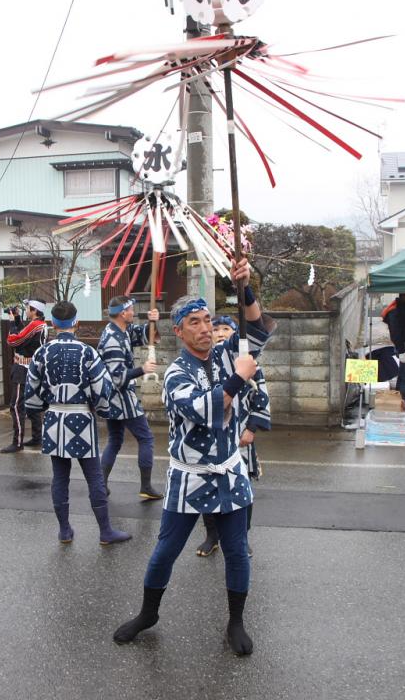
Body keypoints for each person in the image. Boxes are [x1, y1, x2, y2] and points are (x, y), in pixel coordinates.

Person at [113, 258, 276, 656]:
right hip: (189, 477)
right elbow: (206, 409)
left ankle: (235, 621)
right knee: (166, 550)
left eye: (207, 320)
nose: (205, 328)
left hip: (230, 472)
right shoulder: (175, 374)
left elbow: (257, 329)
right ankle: (148, 613)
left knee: (237, 550)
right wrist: (239, 377)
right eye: (195, 323)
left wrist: (245, 287)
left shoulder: (224, 354)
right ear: (179, 331)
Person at [24, 300, 131, 546]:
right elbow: (102, 390)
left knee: (59, 478)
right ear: (77, 323)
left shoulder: (42, 352)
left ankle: (64, 531)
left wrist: (40, 408)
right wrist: (103, 410)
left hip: (53, 419)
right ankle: (105, 531)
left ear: (52, 324)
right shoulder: (87, 352)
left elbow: (31, 391)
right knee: (94, 477)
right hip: (81, 418)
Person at [195, 315, 270, 559]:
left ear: (235, 333)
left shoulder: (248, 363)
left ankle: (241, 536)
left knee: (242, 490)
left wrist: (251, 428)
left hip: (239, 436)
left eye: (225, 328)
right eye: (215, 328)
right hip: (212, 436)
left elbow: (261, 397)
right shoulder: (203, 363)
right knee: (209, 487)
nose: (219, 332)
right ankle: (212, 535)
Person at [98, 295, 163, 500]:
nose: (133, 312)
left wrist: (152, 321)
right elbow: (116, 377)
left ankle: (100, 485)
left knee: (115, 440)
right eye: (131, 309)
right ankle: (146, 486)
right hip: (120, 396)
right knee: (146, 438)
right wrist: (141, 369)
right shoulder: (112, 340)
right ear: (122, 313)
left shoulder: (120, 331)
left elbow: (142, 334)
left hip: (115, 396)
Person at [1, 298, 48, 453]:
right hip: (33, 368)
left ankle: (17, 442)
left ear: (34, 310)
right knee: (33, 405)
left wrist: (12, 323)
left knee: (16, 405)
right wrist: (18, 319)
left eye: (27, 308)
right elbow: (24, 338)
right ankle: (37, 437)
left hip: (23, 368)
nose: (25, 309)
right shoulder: (40, 324)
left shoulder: (34, 325)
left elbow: (13, 341)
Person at [382, 293, 405, 405]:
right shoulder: (397, 311)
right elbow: (396, 332)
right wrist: (401, 350)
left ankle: (398, 401)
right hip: (404, 347)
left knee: (404, 375)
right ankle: (401, 402)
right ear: (404, 296)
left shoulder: (403, 309)